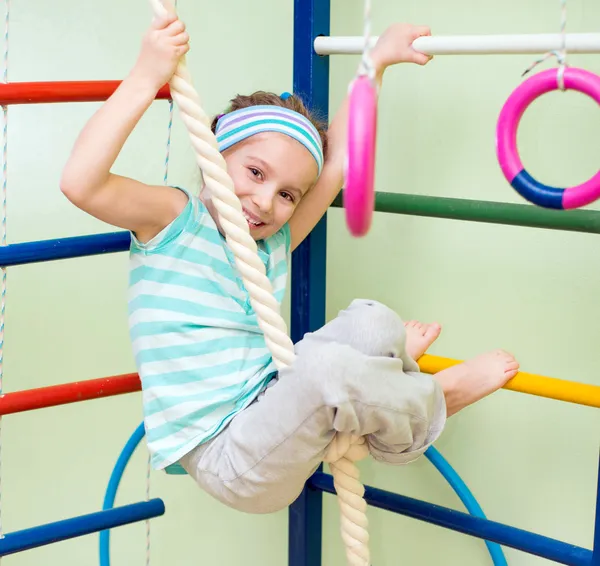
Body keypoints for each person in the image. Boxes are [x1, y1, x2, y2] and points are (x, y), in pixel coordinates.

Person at [60, 12, 519, 513]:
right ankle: (430, 401)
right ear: (215, 153)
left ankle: (384, 372)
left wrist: (375, 65)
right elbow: (81, 182)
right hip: (230, 459)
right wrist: (146, 77)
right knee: (327, 367)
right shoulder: (174, 221)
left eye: (287, 194)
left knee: (372, 320)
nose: (263, 201)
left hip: (278, 408)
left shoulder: (271, 244)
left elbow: (339, 161)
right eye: (254, 172)